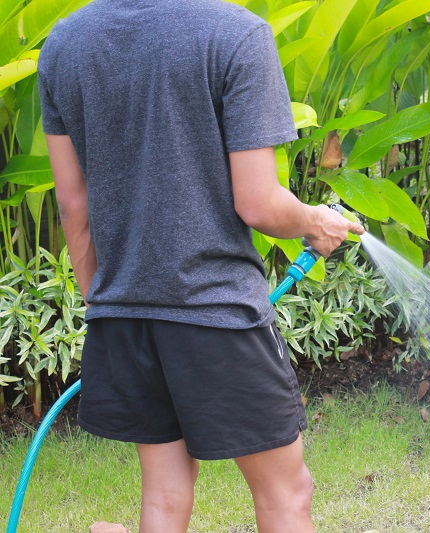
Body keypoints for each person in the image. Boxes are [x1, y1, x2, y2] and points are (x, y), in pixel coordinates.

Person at [39, 1, 363, 531]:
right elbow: (258, 204)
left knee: (164, 493)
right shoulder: (236, 35)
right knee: (286, 490)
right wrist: (315, 221)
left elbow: (73, 204)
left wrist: (103, 300)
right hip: (216, 310)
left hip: (123, 314)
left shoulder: (64, 44)